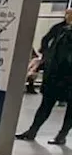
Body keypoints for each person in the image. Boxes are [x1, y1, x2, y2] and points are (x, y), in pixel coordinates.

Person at [17, 8, 72, 145]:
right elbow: (47, 42)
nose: (68, 16)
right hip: (55, 75)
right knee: (45, 104)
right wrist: (45, 58)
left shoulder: (66, 32)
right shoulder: (60, 28)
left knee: (70, 109)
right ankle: (32, 131)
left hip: (68, 77)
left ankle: (61, 135)